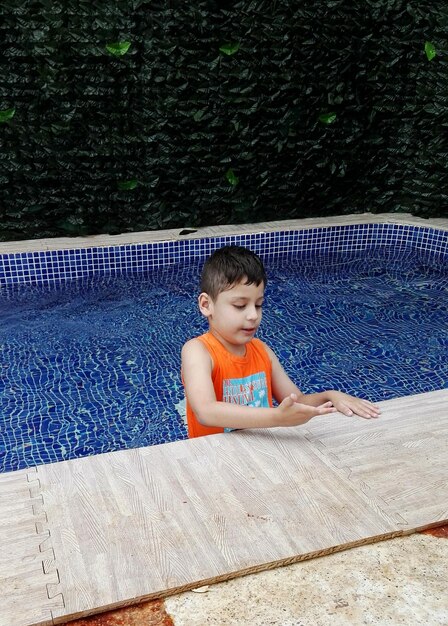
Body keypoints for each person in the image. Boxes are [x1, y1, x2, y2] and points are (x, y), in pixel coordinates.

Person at [181, 245, 380, 438]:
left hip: (264, 455)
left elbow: (298, 400)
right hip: (214, 459)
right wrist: (277, 417)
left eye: (258, 305)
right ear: (207, 305)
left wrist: (329, 396)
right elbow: (205, 411)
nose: (253, 315)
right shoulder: (198, 351)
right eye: (240, 306)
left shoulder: (262, 351)